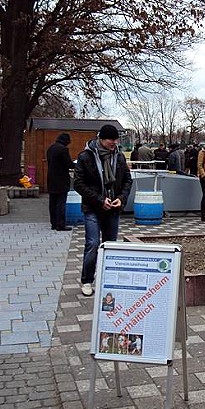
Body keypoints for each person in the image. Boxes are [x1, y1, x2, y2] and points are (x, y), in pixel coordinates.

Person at [74, 124, 133, 297]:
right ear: (101, 139)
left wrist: (120, 199)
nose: (114, 142)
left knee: (110, 245)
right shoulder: (86, 157)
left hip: (112, 208)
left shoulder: (119, 157)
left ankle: (107, 278)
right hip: (93, 208)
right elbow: (78, 183)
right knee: (92, 243)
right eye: (111, 139)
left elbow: (128, 181)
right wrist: (100, 200)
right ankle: (87, 280)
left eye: (116, 139)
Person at [46, 133, 74, 231]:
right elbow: (68, 164)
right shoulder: (63, 150)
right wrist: (76, 164)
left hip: (51, 179)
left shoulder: (51, 148)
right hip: (61, 180)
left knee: (52, 203)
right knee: (61, 203)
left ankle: (53, 223)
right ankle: (61, 224)